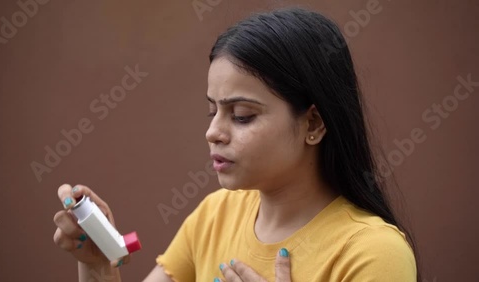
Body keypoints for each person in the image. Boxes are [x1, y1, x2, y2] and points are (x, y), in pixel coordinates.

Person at [53, 7, 418, 282]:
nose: (213, 132)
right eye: (212, 112)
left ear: (313, 123)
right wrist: (98, 265)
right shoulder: (217, 213)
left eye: (242, 115)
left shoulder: (372, 252)